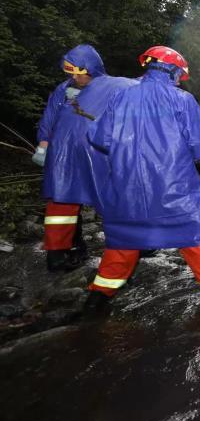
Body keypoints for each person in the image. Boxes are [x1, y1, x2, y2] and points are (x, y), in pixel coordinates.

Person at [85, 46, 200, 307]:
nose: (180, 79)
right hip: (173, 185)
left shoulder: (120, 97)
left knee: (123, 238)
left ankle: (97, 298)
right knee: (194, 235)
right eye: (180, 74)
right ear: (172, 70)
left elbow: (98, 137)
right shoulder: (182, 100)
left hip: (126, 186)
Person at [32, 44, 137, 272]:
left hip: (96, 150)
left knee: (112, 195)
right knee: (62, 200)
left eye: (78, 72)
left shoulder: (114, 85)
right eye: (70, 72)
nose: (74, 77)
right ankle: (57, 255)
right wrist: (43, 144)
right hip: (63, 152)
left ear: (92, 68)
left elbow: (141, 88)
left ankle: (133, 242)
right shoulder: (63, 89)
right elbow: (49, 118)